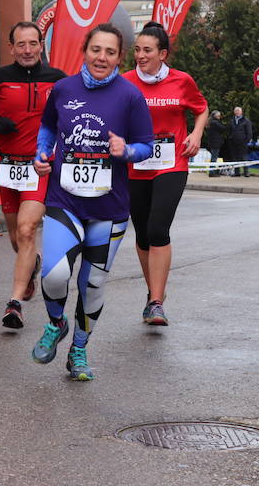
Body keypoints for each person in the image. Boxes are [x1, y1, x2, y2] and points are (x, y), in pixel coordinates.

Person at [31, 23, 154, 381]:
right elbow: (49, 128)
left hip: (109, 208)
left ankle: (80, 349)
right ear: (85, 50)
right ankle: (56, 323)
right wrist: (42, 153)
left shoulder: (130, 96)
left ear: (120, 57)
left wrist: (126, 150)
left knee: (93, 284)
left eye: (110, 52)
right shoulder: (63, 89)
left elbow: (146, 145)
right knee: (55, 275)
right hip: (64, 199)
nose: (102, 58)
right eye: (96, 50)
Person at [123, 21, 208, 326]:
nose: (140, 56)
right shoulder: (126, 81)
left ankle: (157, 301)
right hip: (136, 164)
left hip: (172, 163)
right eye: (137, 50)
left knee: (158, 229)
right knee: (143, 235)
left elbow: (201, 107)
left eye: (147, 50)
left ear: (162, 53)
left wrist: (196, 135)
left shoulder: (182, 81)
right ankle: (153, 291)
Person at [0, 21, 66, 329]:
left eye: (33, 43)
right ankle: (32, 263)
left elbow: (73, 115)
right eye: (21, 44)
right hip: (7, 165)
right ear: (11, 48)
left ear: (41, 44)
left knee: (28, 229)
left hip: (41, 166)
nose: (28, 50)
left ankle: (14, 304)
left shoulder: (58, 80)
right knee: (17, 238)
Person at [228, 107, 253, 177]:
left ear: (241, 112)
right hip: (233, 142)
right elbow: (229, 131)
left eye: (238, 111)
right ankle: (237, 172)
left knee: (244, 157)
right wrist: (230, 138)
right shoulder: (232, 120)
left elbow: (249, 132)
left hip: (243, 142)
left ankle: (246, 172)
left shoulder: (246, 121)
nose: (237, 112)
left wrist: (246, 140)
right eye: (236, 111)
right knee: (235, 158)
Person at [207, 110, 226, 177]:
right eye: (218, 115)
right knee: (214, 158)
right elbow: (223, 128)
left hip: (212, 142)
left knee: (213, 158)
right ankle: (212, 172)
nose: (219, 117)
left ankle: (212, 171)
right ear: (215, 115)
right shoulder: (215, 122)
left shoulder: (210, 122)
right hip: (215, 142)